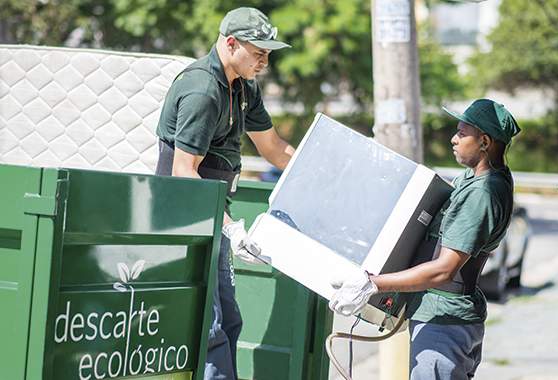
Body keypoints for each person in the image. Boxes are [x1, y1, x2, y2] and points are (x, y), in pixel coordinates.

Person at [329, 99, 521, 380]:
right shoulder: (477, 179)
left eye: (462, 133)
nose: (453, 139)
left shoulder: (483, 192)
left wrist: (372, 284)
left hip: (444, 325)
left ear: (484, 142)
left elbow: (444, 270)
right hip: (440, 317)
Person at [154, 7, 294, 380]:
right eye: (259, 52)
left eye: (268, 53)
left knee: (230, 321)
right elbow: (183, 172)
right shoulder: (202, 89)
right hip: (183, 221)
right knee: (211, 327)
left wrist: (320, 177)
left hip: (214, 213)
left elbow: (274, 148)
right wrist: (231, 228)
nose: (265, 61)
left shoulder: (245, 85)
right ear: (231, 44)